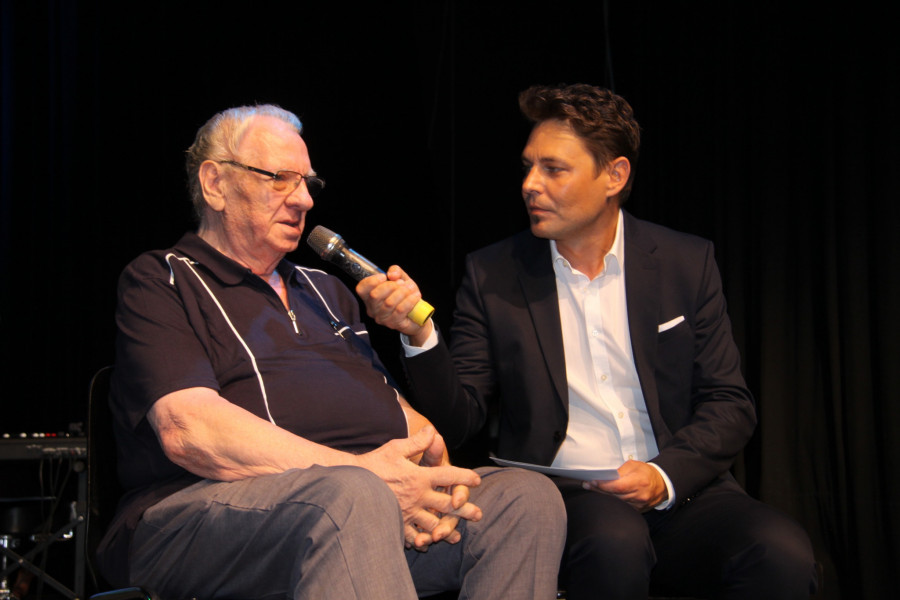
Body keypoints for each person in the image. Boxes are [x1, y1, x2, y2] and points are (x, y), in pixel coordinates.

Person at [357, 84, 818, 599]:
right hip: (566, 494)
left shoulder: (685, 262)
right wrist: (420, 334)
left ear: (614, 176)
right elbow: (461, 418)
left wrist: (663, 476)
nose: (530, 185)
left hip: (678, 487)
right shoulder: (494, 274)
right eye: (528, 167)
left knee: (781, 554)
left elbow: (729, 403)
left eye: (553, 169)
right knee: (612, 543)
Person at [94, 103, 566, 600]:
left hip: (356, 508)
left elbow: (394, 412)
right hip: (197, 513)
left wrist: (424, 460)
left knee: (522, 499)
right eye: (280, 178)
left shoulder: (327, 291)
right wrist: (366, 474)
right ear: (215, 184)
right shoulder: (162, 279)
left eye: (308, 183)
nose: (303, 200)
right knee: (350, 497)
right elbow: (190, 431)